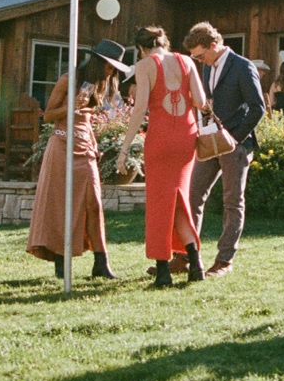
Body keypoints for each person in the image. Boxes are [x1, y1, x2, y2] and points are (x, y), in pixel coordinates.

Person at [27, 40, 131, 280]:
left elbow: (89, 118)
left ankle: (101, 263)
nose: (112, 71)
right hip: (62, 144)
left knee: (93, 203)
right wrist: (72, 106)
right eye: (109, 66)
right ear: (97, 62)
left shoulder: (100, 84)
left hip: (85, 147)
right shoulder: (68, 80)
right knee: (61, 204)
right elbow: (48, 116)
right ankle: (60, 261)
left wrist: (95, 142)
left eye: (115, 68)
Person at [119, 26, 208, 287]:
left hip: (161, 138)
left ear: (141, 48)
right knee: (180, 200)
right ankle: (196, 263)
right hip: (185, 137)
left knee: (159, 204)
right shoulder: (186, 61)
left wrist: (124, 149)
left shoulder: (145, 64)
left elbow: (139, 110)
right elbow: (201, 101)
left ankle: (163, 271)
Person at [185, 22, 263, 278]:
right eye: (195, 57)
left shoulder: (243, 66)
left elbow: (257, 108)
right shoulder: (207, 68)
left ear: (214, 45)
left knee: (232, 203)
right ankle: (187, 256)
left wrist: (234, 138)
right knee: (193, 197)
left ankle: (224, 261)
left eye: (200, 54)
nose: (198, 60)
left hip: (235, 145)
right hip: (210, 142)